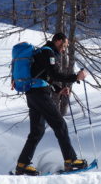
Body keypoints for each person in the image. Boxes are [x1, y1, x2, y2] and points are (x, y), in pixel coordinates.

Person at [15, 32, 87, 175]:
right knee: (60, 124)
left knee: (37, 131)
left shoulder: (42, 53)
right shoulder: (48, 53)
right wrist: (76, 77)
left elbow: (45, 77)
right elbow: (55, 75)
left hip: (32, 95)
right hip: (40, 94)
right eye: (64, 45)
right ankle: (70, 160)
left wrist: (59, 90)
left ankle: (22, 164)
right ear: (58, 41)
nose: (64, 49)